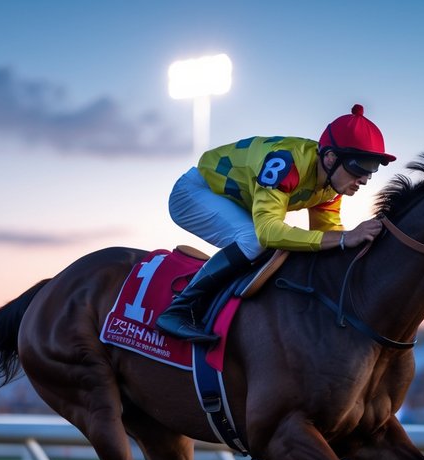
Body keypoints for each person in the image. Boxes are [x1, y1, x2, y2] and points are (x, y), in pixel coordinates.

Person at [156, 104, 395, 343]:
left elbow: (326, 233)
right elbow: (268, 232)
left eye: (372, 168)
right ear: (331, 157)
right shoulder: (285, 162)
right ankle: (178, 310)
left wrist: (355, 246)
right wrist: (344, 238)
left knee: (284, 247)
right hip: (195, 192)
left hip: (237, 201)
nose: (364, 179)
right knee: (254, 240)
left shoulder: (332, 184)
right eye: (359, 167)